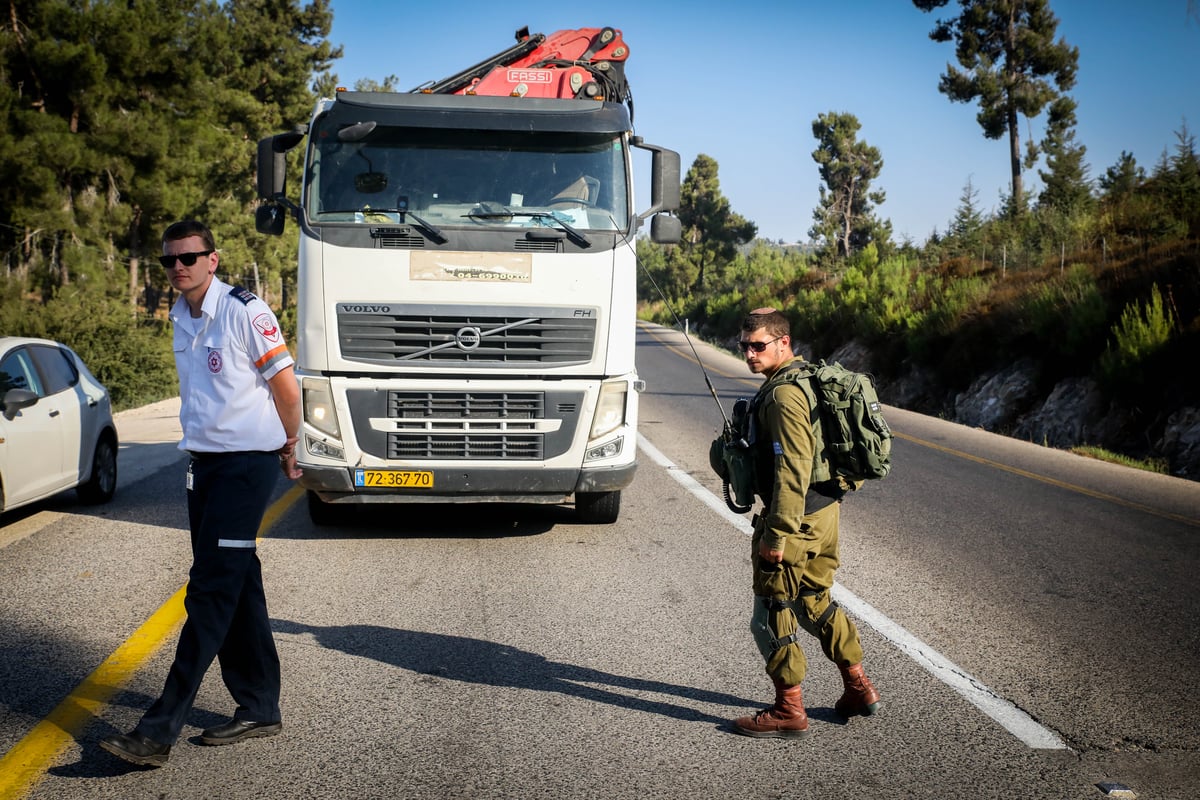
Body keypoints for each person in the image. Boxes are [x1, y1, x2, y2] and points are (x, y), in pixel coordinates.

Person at [100, 220, 303, 767]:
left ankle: (157, 728)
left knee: (210, 589)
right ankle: (260, 706)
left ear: (213, 259)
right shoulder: (179, 314)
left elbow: (286, 385)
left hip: (245, 466)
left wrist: (291, 445)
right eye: (169, 260)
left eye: (190, 257)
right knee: (238, 583)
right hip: (205, 466)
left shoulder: (243, 310)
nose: (178, 267)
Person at [731, 307, 879, 739]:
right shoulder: (808, 377)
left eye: (758, 345)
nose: (749, 354)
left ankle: (788, 709)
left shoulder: (782, 395)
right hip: (823, 511)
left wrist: (777, 534)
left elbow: (791, 468)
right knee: (814, 599)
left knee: (772, 611)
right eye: (744, 346)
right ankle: (858, 687)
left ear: (783, 342)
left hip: (795, 518)